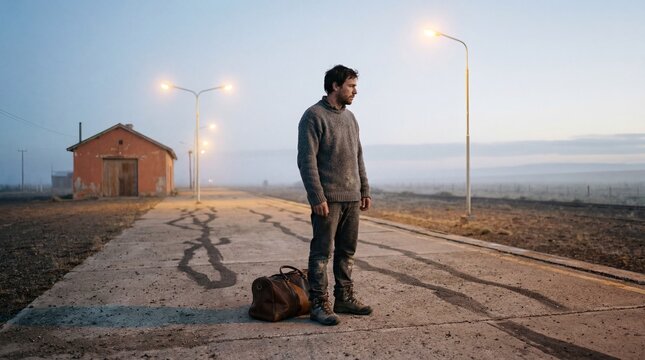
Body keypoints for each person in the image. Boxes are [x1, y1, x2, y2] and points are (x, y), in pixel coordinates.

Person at [297, 64, 373, 326]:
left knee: (347, 252)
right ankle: (319, 304)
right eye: (351, 86)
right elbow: (306, 160)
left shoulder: (351, 119)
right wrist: (317, 196)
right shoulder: (313, 116)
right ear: (335, 86)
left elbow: (358, 156)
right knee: (321, 252)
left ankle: (344, 298)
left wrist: (364, 188)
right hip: (328, 200)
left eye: (355, 86)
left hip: (352, 197)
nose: (355, 91)